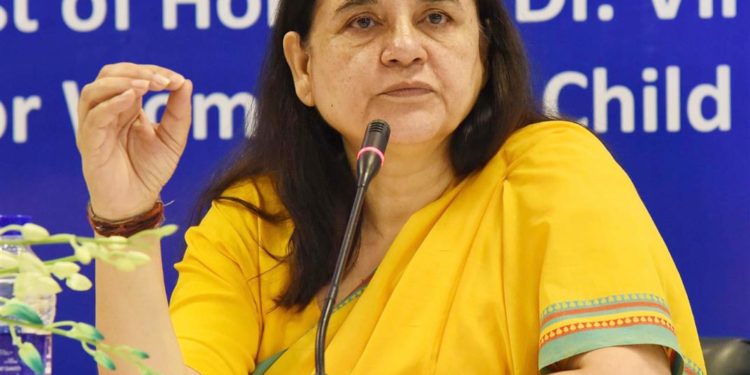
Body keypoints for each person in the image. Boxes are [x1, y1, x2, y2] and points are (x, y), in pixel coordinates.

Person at [76, 0, 706, 374]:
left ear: (482, 48)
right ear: (303, 67)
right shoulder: (255, 221)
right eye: (364, 21)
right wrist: (124, 212)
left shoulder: (553, 172)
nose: (404, 48)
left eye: (436, 16)